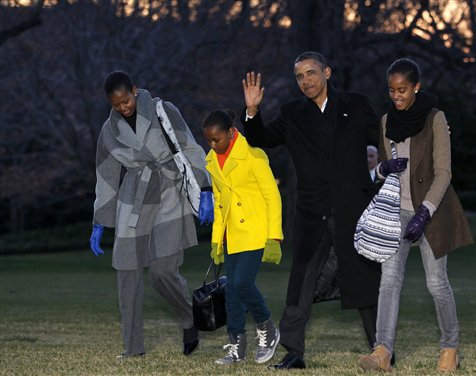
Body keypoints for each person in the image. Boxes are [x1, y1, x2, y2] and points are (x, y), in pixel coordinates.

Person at [242, 51, 382, 369]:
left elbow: (386, 137)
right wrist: (252, 111)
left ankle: (381, 348)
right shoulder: (292, 113)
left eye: (311, 73)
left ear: (327, 72)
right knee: (300, 283)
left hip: (352, 209)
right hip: (311, 211)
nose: (306, 80)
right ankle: (294, 352)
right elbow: (260, 138)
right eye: (300, 76)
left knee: (364, 278)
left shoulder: (355, 105)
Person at [358, 58, 473, 372]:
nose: (397, 96)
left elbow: (444, 172)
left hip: (431, 211)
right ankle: (382, 351)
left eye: (403, 90)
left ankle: (450, 348)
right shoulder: (385, 122)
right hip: (397, 212)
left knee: (436, 284)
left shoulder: (435, 119)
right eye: (392, 90)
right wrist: (383, 168)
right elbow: (382, 168)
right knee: (389, 281)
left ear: (417, 87)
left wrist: (425, 212)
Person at [89, 71, 214, 358]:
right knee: (126, 273)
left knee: (162, 272)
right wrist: (100, 221)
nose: (123, 107)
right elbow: (106, 176)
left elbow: (190, 148)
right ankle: (133, 349)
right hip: (133, 199)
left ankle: (188, 319)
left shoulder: (164, 111)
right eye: (116, 104)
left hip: (170, 192)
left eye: (126, 100)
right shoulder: (109, 131)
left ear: (134, 90)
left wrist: (205, 188)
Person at [202, 109, 283, 365]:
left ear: (230, 132)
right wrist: (216, 240)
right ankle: (236, 346)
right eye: (208, 140)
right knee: (232, 292)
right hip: (231, 235)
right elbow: (218, 204)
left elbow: (272, 196)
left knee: (241, 283)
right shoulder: (212, 161)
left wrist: (274, 237)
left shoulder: (253, 155)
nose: (213, 145)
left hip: (256, 231)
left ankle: (267, 329)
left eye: (217, 139)